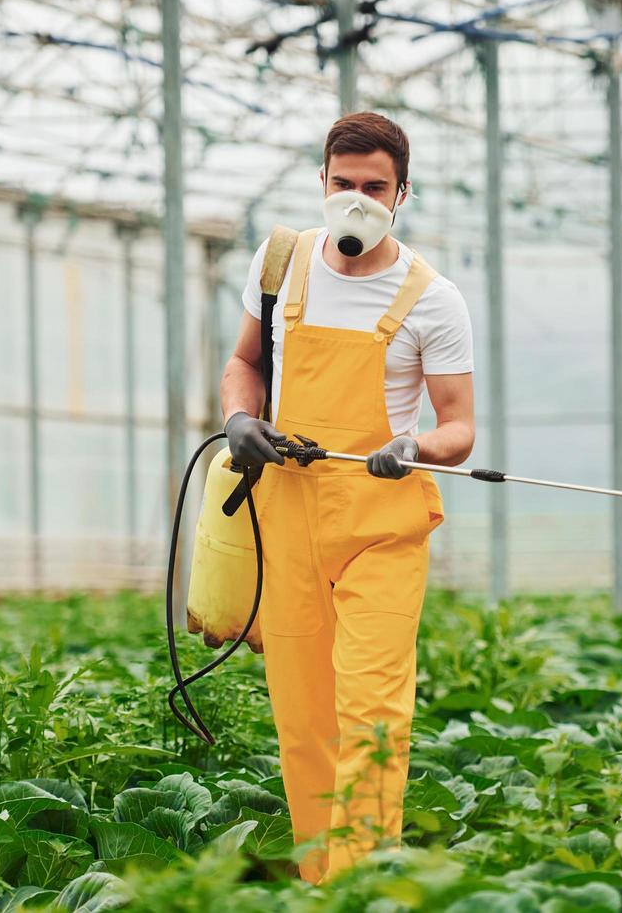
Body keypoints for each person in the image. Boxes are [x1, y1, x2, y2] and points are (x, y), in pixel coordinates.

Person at [218, 112, 476, 884]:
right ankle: (317, 880)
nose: (355, 200)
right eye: (342, 184)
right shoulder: (280, 265)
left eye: (374, 188)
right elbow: (244, 363)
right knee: (304, 717)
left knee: (371, 711)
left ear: (402, 194)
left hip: (381, 522)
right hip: (288, 514)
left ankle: (363, 885)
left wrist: (415, 446)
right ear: (321, 183)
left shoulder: (432, 298)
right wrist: (238, 417)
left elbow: (459, 429)